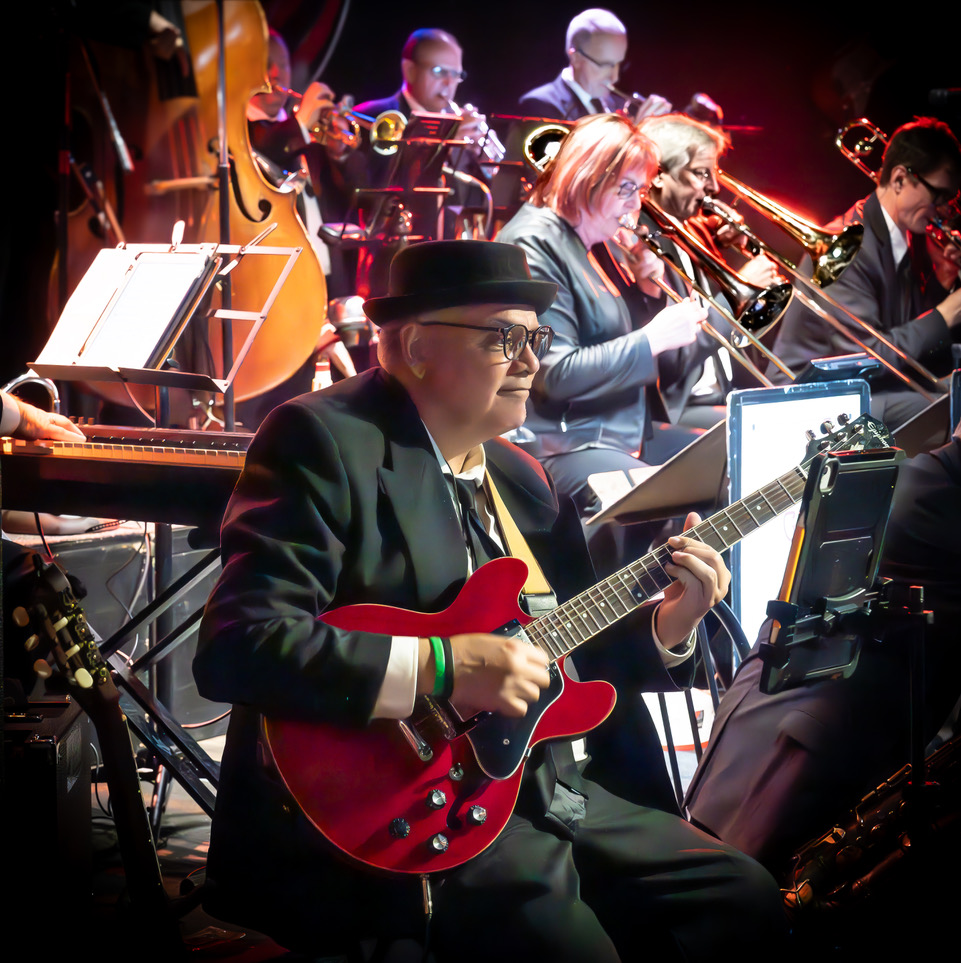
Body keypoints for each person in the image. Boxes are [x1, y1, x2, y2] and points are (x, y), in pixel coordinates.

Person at [193, 239, 787, 961]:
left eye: (537, 339)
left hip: (553, 786)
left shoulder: (523, 476)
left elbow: (564, 645)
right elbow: (239, 643)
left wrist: (668, 626)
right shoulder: (323, 438)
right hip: (411, 812)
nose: (532, 362)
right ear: (417, 346)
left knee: (747, 899)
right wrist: (444, 666)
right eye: (506, 338)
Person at [494, 114, 706, 552]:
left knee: (730, 464)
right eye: (626, 189)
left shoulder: (591, 240)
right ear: (587, 178)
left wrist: (647, 291)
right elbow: (554, 374)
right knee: (651, 500)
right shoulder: (533, 243)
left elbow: (614, 337)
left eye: (639, 190)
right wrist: (653, 338)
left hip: (614, 430)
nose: (634, 206)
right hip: (560, 442)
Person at [771, 116, 961, 428]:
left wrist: (942, 282)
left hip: (867, 387)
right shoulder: (848, 247)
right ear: (899, 179)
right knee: (950, 409)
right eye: (937, 195)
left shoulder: (907, 236)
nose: (942, 210)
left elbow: (903, 336)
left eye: (949, 200)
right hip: (812, 397)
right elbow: (868, 356)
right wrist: (947, 312)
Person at [638, 112, 783, 426]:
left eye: (713, 173)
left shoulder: (692, 228)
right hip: (679, 410)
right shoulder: (642, 244)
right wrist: (735, 296)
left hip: (726, 396)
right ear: (658, 175)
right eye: (701, 173)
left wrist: (740, 250)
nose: (715, 187)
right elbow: (672, 360)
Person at [518, 9, 670, 122]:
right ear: (576, 58)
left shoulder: (619, 105)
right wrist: (636, 136)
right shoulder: (539, 105)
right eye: (605, 65)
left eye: (619, 64)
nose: (615, 78)